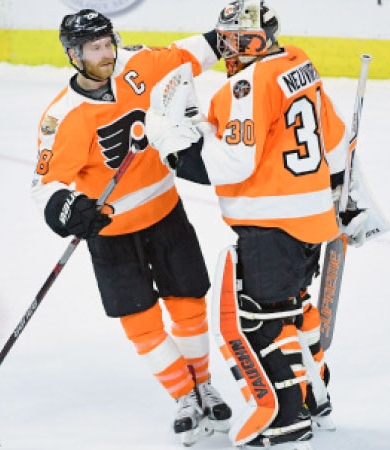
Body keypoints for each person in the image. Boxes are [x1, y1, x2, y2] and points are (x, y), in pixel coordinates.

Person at [144, 1, 370, 447]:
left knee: (258, 322)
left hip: (272, 222)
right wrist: (346, 190)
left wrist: (175, 147)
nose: (228, 47)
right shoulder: (297, 63)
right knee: (296, 309)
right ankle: (315, 398)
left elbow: (232, 164)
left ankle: (284, 422)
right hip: (311, 217)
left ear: (258, 38)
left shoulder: (244, 86)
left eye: (236, 39)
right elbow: (337, 136)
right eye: (224, 37)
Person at [29, 9, 232, 446]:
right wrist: (69, 209)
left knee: (189, 301)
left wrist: (231, 31)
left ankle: (203, 385)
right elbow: (44, 186)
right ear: (73, 54)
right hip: (111, 232)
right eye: (94, 48)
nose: (105, 54)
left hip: (165, 213)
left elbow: (189, 54)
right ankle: (183, 394)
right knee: (139, 318)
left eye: (108, 43)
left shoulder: (140, 63)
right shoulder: (62, 115)